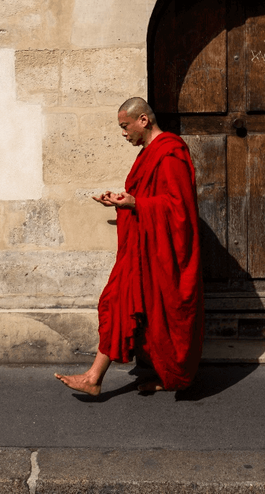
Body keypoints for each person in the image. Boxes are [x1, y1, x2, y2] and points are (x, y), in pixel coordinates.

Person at [54, 97, 203, 395]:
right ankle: (95, 377)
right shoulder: (148, 154)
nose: (123, 134)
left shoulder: (170, 153)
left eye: (125, 126)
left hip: (161, 255)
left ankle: (151, 376)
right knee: (116, 302)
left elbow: (180, 209)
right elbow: (149, 198)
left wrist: (137, 203)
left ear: (143, 120)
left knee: (152, 313)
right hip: (140, 251)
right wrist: (123, 202)